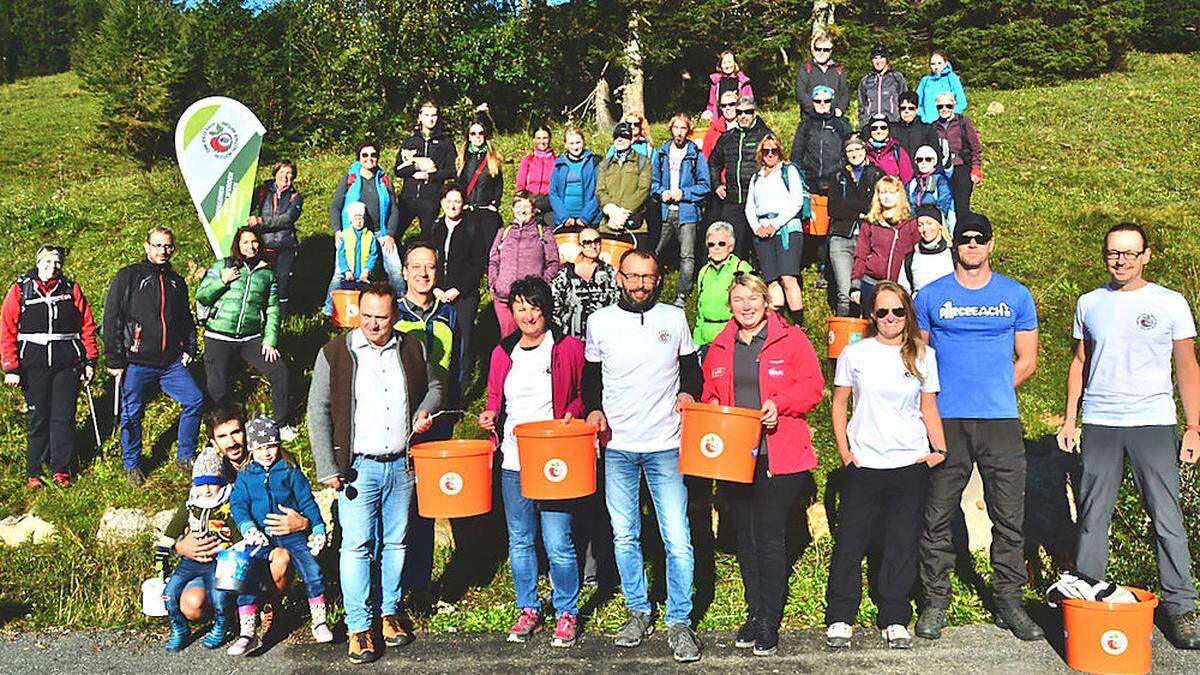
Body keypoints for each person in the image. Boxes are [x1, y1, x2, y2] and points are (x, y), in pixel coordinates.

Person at [1056, 223, 1200, 649]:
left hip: (1153, 422)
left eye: (1129, 253)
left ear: (1146, 255)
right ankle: (1089, 600)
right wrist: (1070, 418)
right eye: (1113, 253)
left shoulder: (1169, 303)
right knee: (1093, 516)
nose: (1120, 260)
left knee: (1167, 517)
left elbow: (1187, 367)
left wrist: (1194, 427)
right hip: (1101, 421)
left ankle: (1182, 607)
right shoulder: (1090, 303)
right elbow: (1079, 363)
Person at [913, 213, 1042, 642]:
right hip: (946, 421)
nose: (971, 245)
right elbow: (918, 360)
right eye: (965, 238)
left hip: (1001, 420)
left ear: (990, 245)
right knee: (937, 515)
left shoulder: (1015, 295)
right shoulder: (930, 296)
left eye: (979, 239)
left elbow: (1027, 360)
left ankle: (1009, 600)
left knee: (1008, 517)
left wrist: (993, 387)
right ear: (955, 244)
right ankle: (935, 600)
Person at [307, 283, 443, 664]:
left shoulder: (412, 348)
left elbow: (435, 387)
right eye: (366, 316)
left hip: (401, 464)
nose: (373, 324)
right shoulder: (334, 353)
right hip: (356, 468)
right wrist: (327, 468)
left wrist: (424, 411)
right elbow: (316, 411)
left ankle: (389, 614)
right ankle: (358, 627)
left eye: (381, 317)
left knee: (396, 543)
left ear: (394, 316)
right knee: (356, 547)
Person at [583, 249, 703, 663]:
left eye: (647, 277)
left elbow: (692, 370)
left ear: (658, 279)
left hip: (666, 445)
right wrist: (592, 409)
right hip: (617, 447)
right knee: (625, 534)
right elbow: (590, 379)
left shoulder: (674, 318)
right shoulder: (599, 323)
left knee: (678, 537)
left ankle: (680, 620)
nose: (639, 285)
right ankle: (638, 610)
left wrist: (689, 392)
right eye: (632, 277)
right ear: (619, 277)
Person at [700, 273, 824, 656]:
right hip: (735, 456)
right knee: (745, 539)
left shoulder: (792, 339)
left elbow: (813, 387)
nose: (746, 306)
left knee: (769, 536)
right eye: (738, 299)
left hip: (778, 453)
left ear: (765, 301)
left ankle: (769, 618)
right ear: (730, 305)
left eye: (752, 298)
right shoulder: (719, 346)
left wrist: (780, 405)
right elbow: (709, 394)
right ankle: (754, 612)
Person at [826, 281, 947, 650]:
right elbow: (839, 403)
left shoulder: (923, 355)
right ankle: (840, 616)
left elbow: (928, 407)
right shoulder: (856, 354)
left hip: (908, 462)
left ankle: (894, 617)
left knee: (901, 543)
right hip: (864, 464)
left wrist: (939, 449)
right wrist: (845, 452)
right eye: (882, 311)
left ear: (907, 313)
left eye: (897, 311)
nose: (890, 318)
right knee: (850, 542)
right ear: (872, 315)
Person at [479, 276, 585, 648]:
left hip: (554, 459)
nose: (527, 314)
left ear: (546, 308)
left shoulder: (568, 348)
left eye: (533, 306)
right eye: (519, 307)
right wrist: (490, 415)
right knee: (521, 540)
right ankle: (528, 608)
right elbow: (494, 398)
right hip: (514, 459)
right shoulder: (502, 352)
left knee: (558, 541)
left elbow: (581, 396)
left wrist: (573, 413)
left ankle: (566, 611)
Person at [171, 406, 311, 634]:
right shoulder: (211, 468)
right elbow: (187, 511)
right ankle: (231, 614)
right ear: (213, 441)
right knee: (191, 606)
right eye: (222, 436)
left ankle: (270, 610)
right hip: (221, 557)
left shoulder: (273, 459)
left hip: (267, 547)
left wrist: (303, 523)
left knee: (282, 559)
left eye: (236, 433)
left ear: (246, 432)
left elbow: (307, 504)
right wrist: (180, 546)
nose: (232, 442)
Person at [104, 226, 203, 486]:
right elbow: (112, 317)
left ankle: (185, 456)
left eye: (167, 246)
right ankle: (133, 465)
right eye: (157, 245)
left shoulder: (176, 281)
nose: (162, 251)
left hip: (170, 362)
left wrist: (190, 348)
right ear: (147, 246)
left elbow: (185, 319)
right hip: (136, 361)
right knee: (131, 414)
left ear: (173, 248)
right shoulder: (129, 276)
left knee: (195, 400)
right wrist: (115, 359)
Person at [227, 416, 331, 656]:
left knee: (312, 570)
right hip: (261, 536)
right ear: (251, 449)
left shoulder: (290, 470)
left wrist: (317, 527)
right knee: (248, 574)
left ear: (278, 445)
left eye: (271, 446)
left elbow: (307, 501)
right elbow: (239, 505)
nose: (266, 453)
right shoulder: (245, 475)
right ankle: (247, 632)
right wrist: (247, 527)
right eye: (260, 448)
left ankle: (319, 621)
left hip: (291, 536)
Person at [1, 244, 97, 489]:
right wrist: (11, 367)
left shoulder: (71, 288)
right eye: (47, 261)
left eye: (57, 263)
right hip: (33, 364)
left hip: (67, 363)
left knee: (64, 417)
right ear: (38, 262)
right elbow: (7, 328)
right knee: (39, 416)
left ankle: (61, 470)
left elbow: (86, 325)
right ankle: (34, 471)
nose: (52, 267)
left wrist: (90, 361)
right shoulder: (21, 289)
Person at [394, 241, 460, 594]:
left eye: (430, 267)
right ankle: (390, 586)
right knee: (395, 507)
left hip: (436, 426)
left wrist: (448, 414)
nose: (423, 273)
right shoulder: (394, 314)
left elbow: (458, 369)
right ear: (404, 271)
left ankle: (417, 587)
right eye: (416, 266)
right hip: (396, 427)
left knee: (425, 507)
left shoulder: (449, 314)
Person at [196, 226, 294, 439]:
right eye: (245, 242)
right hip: (219, 334)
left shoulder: (268, 273)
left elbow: (273, 308)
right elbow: (202, 296)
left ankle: (281, 424)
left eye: (254, 241)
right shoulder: (223, 265)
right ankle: (220, 431)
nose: (250, 246)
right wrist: (222, 280)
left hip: (250, 337)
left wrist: (270, 340)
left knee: (279, 371)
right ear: (237, 246)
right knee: (218, 388)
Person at [160, 448, 239, 652]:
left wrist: (225, 548)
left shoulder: (228, 505)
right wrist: (162, 557)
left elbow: (239, 536)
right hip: (190, 562)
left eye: (212, 482)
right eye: (201, 483)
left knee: (218, 595)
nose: (206, 489)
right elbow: (169, 534)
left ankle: (223, 624)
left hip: (217, 561)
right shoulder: (190, 505)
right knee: (168, 593)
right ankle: (179, 627)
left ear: (221, 481)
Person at [744, 134, 810, 325]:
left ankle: (799, 324)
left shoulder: (788, 171)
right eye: (766, 151)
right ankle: (777, 325)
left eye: (774, 150)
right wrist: (757, 227)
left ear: (780, 151)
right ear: (761, 153)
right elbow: (750, 206)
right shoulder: (756, 177)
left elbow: (796, 202)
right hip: (762, 230)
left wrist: (776, 224)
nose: (770, 154)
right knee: (771, 280)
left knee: (788, 278)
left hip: (786, 229)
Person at [430, 185, 487, 393]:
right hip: (438, 293)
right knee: (439, 341)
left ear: (463, 204)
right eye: (449, 201)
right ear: (442, 203)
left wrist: (458, 289)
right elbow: (429, 260)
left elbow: (477, 264)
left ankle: (460, 389)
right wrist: (434, 288)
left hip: (464, 294)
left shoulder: (472, 228)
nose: (453, 205)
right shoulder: (435, 227)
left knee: (463, 340)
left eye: (457, 201)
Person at [328, 140, 405, 293]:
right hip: (353, 233)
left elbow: (394, 209)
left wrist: (390, 234)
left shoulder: (384, 180)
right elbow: (335, 207)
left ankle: (401, 305)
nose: (369, 158)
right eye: (364, 155)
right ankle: (330, 311)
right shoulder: (350, 179)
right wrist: (338, 231)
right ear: (358, 158)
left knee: (395, 270)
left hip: (380, 232)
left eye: (373, 155)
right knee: (341, 273)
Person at [651, 113, 711, 307]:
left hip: (687, 212)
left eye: (683, 128)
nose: (679, 132)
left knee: (687, 255)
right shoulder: (661, 153)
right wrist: (662, 192)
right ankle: (650, 288)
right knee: (655, 254)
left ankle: (682, 295)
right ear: (671, 130)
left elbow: (705, 185)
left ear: (689, 131)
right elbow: (652, 183)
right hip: (664, 211)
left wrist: (683, 194)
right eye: (676, 128)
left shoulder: (696, 155)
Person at [791, 85, 852, 266]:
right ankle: (810, 260)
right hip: (811, 181)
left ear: (832, 102)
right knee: (812, 224)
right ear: (813, 102)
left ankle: (827, 264)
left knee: (832, 225)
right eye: (818, 101)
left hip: (834, 180)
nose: (823, 104)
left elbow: (850, 149)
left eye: (826, 101)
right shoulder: (806, 125)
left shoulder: (841, 124)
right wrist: (799, 177)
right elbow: (797, 153)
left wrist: (843, 173)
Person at [709, 96, 773, 260]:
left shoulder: (765, 136)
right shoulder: (728, 137)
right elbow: (713, 162)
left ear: (755, 113)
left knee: (760, 247)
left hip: (758, 201)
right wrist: (716, 184)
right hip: (733, 200)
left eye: (748, 112)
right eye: (740, 112)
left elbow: (776, 165)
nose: (743, 116)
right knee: (735, 247)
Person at [827, 136, 886, 316]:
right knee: (845, 292)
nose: (854, 154)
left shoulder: (877, 174)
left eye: (857, 149)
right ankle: (843, 335)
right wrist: (860, 212)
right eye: (850, 151)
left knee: (865, 292)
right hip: (841, 237)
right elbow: (833, 208)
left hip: (867, 239)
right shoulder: (838, 175)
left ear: (864, 150)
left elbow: (877, 205)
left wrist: (850, 203)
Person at [488, 193, 561, 337]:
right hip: (504, 298)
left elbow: (553, 263)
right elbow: (493, 260)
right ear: (513, 209)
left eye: (526, 206)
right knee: (508, 340)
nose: (522, 210)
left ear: (534, 210)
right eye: (518, 206)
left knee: (531, 338)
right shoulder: (504, 233)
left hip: (531, 301)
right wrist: (494, 283)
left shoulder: (544, 233)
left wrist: (540, 283)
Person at [849, 176, 920, 318]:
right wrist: (856, 285)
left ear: (899, 195)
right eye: (883, 192)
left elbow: (917, 256)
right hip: (872, 283)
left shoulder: (911, 223)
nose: (887, 197)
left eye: (891, 192)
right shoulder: (870, 223)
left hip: (899, 286)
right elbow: (861, 254)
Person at [394, 101, 457, 241]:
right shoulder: (410, 142)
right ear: (420, 117)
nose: (431, 119)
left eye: (434, 115)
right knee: (394, 235)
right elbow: (398, 170)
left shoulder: (446, 143)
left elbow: (452, 171)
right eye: (427, 115)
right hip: (407, 198)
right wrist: (417, 166)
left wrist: (430, 175)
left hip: (431, 198)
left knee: (427, 238)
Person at [248, 160, 302, 317]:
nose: (285, 177)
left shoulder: (295, 197)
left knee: (283, 281)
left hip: (286, 245)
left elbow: (288, 218)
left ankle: (281, 317)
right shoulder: (262, 191)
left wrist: (261, 222)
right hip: (264, 244)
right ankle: (260, 315)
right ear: (275, 173)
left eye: (289, 173)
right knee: (262, 280)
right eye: (281, 172)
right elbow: (243, 207)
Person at [550, 226, 619, 340]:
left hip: (602, 337)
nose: (593, 246)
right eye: (588, 242)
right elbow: (554, 305)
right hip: (570, 338)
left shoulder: (611, 273)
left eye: (597, 241)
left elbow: (616, 304)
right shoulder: (564, 274)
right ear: (579, 246)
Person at [692, 222, 752, 349]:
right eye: (711, 244)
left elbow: (751, 306)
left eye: (721, 243)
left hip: (732, 340)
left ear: (731, 246)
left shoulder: (741, 268)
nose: (716, 248)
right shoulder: (704, 271)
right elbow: (700, 309)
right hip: (704, 340)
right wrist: (696, 341)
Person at [597, 122, 653, 238]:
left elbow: (643, 189)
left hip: (635, 227)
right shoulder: (605, 164)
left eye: (624, 136)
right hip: (608, 226)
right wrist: (611, 210)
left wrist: (622, 213)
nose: (620, 139)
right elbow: (600, 190)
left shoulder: (643, 162)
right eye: (616, 136)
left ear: (631, 139)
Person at [932, 92, 983, 218]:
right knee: (937, 203)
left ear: (954, 105)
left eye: (948, 106)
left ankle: (962, 231)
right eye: (940, 106)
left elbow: (975, 147)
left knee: (961, 205)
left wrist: (975, 168)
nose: (944, 109)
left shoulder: (963, 122)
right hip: (940, 168)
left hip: (960, 164)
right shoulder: (933, 126)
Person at [323, 201, 377, 317]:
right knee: (339, 289)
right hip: (347, 272)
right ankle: (330, 310)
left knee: (364, 293)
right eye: (355, 219)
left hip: (363, 272)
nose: (358, 222)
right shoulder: (345, 235)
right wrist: (346, 270)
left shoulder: (370, 236)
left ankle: (362, 314)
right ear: (351, 220)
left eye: (360, 219)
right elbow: (341, 254)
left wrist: (367, 270)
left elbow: (373, 254)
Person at [458, 121, 505, 244]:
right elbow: (458, 184)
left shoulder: (493, 159)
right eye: (473, 133)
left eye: (480, 133)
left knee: (487, 245)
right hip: (468, 210)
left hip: (486, 209)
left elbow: (498, 185)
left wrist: (494, 205)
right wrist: (462, 204)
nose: (477, 136)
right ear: (469, 136)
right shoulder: (462, 159)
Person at [548, 127, 602, 229]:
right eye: (571, 143)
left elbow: (600, 192)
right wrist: (564, 218)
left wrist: (585, 218)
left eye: (578, 142)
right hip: (565, 220)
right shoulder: (559, 164)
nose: (575, 147)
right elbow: (553, 192)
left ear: (583, 142)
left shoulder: (594, 162)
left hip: (588, 220)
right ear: (566, 144)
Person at [899, 206, 954, 296]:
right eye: (920, 225)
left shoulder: (953, 255)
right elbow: (904, 292)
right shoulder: (911, 258)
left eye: (929, 223)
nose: (925, 229)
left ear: (940, 225)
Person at [794, 34, 849, 122]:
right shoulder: (806, 69)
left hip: (834, 120)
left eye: (826, 50)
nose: (821, 52)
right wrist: (816, 110)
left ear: (831, 51)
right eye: (818, 49)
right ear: (813, 51)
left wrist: (840, 109)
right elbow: (800, 94)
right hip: (811, 120)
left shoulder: (838, 70)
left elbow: (845, 93)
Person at [516, 125, 557, 226]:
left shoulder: (557, 161)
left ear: (550, 139)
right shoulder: (528, 160)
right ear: (534, 139)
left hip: (549, 203)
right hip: (531, 202)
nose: (542, 142)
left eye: (545, 138)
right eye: (538, 138)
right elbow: (520, 186)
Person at [893, 91, 942, 173]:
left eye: (911, 108)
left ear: (917, 109)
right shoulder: (893, 129)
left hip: (921, 175)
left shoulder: (927, 129)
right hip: (899, 175)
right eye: (903, 108)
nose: (907, 111)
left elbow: (937, 156)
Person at [907, 145, 955, 229]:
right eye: (919, 160)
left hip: (937, 225)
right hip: (916, 225)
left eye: (928, 159)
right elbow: (908, 205)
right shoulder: (912, 183)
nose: (923, 162)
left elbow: (943, 205)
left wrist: (930, 222)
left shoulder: (941, 180)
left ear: (934, 162)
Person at [858, 44, 908, 124]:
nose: (878, 61)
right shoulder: (865, 81)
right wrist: (863, 123)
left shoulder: (896, 78)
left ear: (887, 59)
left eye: (881, 57)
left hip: (893, 123)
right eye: (875, 58)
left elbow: (905, 101)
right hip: (871, 125)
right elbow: (862, 106)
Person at [702, 51, 753, 128]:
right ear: (720, 65)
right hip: (719, 123)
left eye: (729, 62)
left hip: (739, 123)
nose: (727, 65)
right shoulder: (716, 82)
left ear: (734, 64)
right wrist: (708, 113)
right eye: (724, 63)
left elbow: (749, 104)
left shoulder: (743, 82)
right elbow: (711, 104)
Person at [917, 51, 967, 123]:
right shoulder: (925, 81)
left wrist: (950, 116)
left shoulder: (952, 78)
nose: (936, 67)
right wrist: (923, 118)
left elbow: (962, 103)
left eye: (939, 63)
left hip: (947, 123)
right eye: (933, 64)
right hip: (928, 124)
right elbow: (917, 104)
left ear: (945, 63)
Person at [864, 113, 914, 184]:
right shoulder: (864, 152)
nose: (879, 131)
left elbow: (907, 181)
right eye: (874, 128)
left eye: (883, 127)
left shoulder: (898, 151)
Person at [702, 89, 741, 159]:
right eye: (724, 105)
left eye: (731, 104)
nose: (727, 108)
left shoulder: (746, 129)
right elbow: (705, 158)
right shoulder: (712, 131)